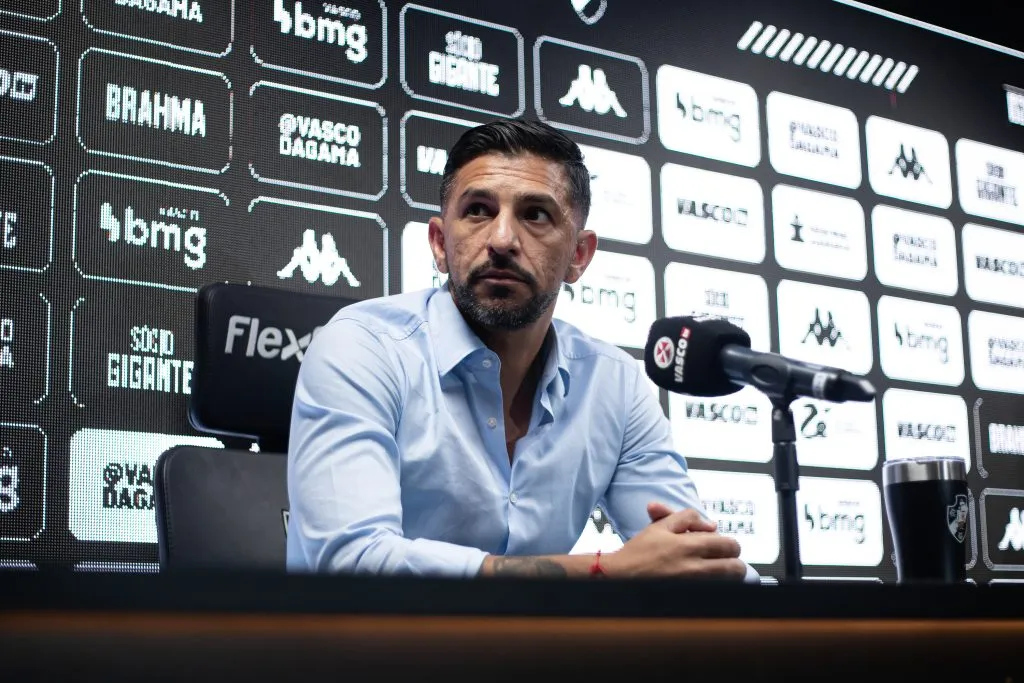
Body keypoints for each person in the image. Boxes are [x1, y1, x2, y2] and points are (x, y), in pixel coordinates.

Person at [286, 119, 756, 581]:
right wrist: (602, 572)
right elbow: (352, 565)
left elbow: (695, 562)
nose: (503, 240)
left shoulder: (614, 384)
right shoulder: (363, 347)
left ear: (579, 256)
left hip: (537, 659)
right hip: (366, 656)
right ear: (439, 244)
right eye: (477, 211)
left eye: (535, 215)